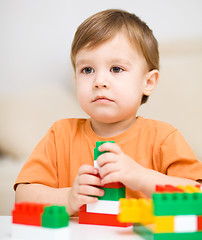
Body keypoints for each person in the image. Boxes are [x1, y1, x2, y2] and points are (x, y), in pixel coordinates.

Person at [14, 9, 202, 216]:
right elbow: (23, 197)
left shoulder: (164, 138)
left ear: (148, 82)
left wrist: (141, 177)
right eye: (87, 70)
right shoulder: (60, 135)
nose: (99, 82)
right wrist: (68, 198)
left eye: (116, 69)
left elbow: (198, 198)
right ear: (76, 80)